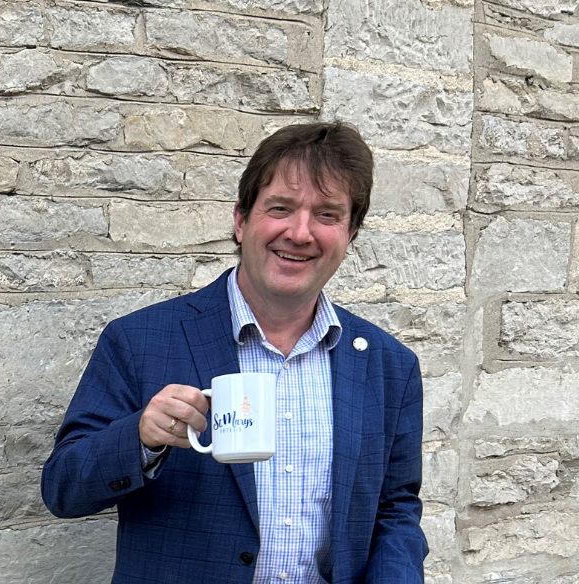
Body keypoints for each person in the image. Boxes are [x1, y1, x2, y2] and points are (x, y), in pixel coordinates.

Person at [40, 122, 427, 583]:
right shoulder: (140, 340)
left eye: (327, 215)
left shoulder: (389, 366)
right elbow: (63, 489)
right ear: (241, 220)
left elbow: (396, 509)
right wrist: (141, 437)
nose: (300, 233)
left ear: (351, 234)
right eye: (280, 208)